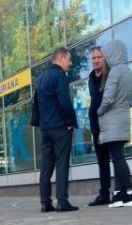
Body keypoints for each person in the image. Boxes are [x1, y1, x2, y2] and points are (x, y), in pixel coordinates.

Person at [98, 40, 132, 208]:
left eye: (106, 55)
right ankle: (119, 194)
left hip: (113, 120)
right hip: (122, 118)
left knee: (118, 158)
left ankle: (131, 192)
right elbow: (128, 99)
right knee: (117, 158)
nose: (105, 59)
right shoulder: (128, 71)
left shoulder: (115, 72)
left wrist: (98, 111)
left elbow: (108, 98)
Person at [37, 47, 79, 213]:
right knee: (62, 165)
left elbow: (37, 104)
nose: (70, 63)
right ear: (60, 59)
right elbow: (65, 102)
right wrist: (70, 122)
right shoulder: (60, 76)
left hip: (45, 128)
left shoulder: (41, 77)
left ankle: (45, 203)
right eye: (69, 59)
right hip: (60, 127)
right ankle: (62, 201)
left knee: (46, 166)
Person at [87, 47, 112, 206]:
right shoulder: (91, 78)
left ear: (105, 59)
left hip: (109, 125)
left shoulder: (110, 76)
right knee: (102, 161)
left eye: (99, 57)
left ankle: (123, 191)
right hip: (96, 126)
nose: (96, 60)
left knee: (116, 159)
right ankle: (104, 194)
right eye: (93, 58)